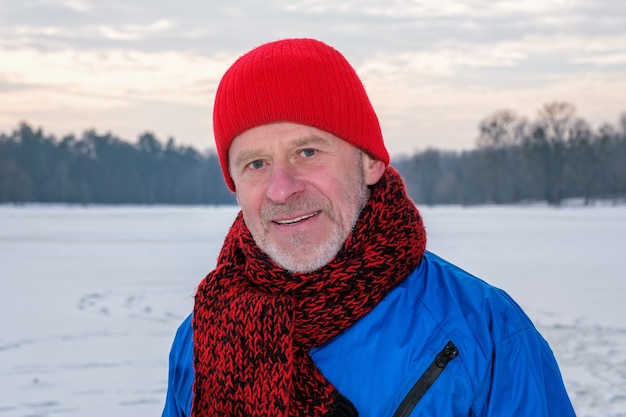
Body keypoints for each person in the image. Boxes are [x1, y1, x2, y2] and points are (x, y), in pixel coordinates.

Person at [162, 38, 575, 417]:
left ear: (370, 162)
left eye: (307, 151)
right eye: (256, 164)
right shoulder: (204, 339)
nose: (281, 190)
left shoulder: (484, 330)